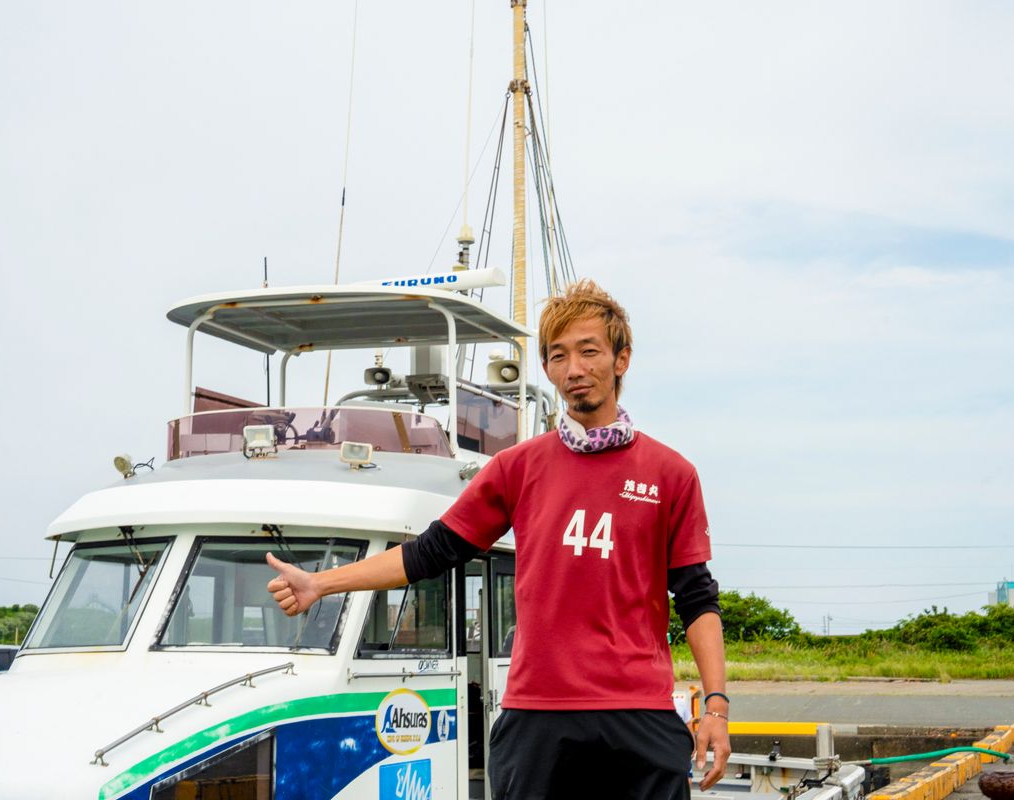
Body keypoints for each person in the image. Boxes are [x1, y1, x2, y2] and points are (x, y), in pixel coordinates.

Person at [267, 280, 730, 798]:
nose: (574, 369)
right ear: (549, 370)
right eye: (558, 357)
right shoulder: (518, 467)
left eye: (588, 351)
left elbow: (696, 598)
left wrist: (716, 706)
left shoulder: (671, 474)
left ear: (621, 360)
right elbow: (432, 552)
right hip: (537, 715)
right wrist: (320, 583)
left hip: (639, 714)